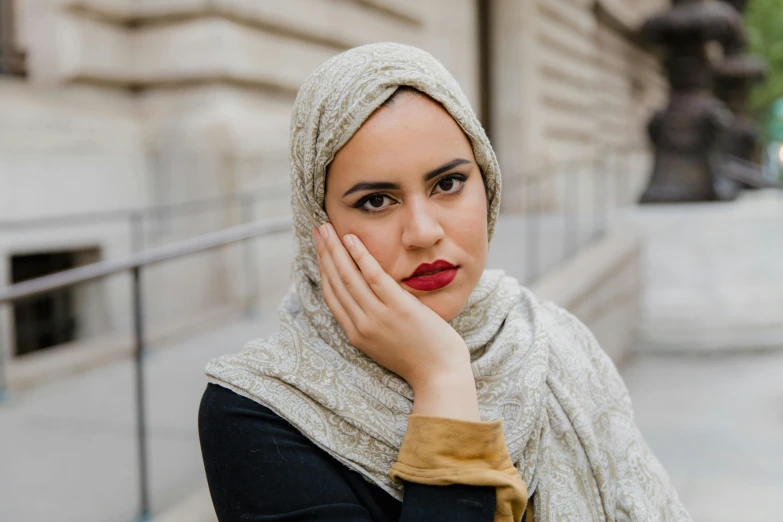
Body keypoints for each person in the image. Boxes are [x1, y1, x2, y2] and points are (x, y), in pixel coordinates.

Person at [198, 43, 691, 522]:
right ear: (317, 220)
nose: (424, 232)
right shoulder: (258, 412)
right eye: (376, 200)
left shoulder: (552, 344)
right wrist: (441, 378)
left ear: (488, 182)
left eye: (448, 183)